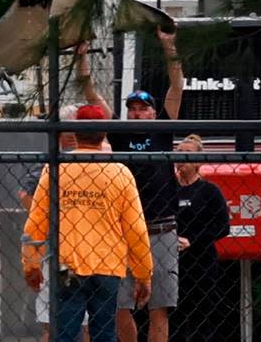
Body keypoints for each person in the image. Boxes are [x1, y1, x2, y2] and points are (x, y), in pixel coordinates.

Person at [79, 26, 184, 342]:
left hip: (161, 228)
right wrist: (82, 57)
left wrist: (169, 47)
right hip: (123, 231)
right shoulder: (120, 133)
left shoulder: (163, 131)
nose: (137, 113)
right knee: (119, 306)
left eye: (143, 108)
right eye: (133, 108)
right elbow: (91, 95)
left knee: (159, 307)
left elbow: (177, 85)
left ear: (153, 111)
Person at [22, 104, 153, 342]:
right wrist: (144, 274)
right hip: (107, 264)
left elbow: (37, 221)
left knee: (65, 332)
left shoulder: (56, 169)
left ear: (75, 133)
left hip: (67, 264)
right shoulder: (119, 173)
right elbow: (136, 229)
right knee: (104, 331)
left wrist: (31, 264)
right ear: (103, 134)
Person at [18, 105, 89, 342]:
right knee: (54, 323)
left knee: (81, 324)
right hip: (59, 250)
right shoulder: (50, 163)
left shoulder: (92, 160)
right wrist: (54, 219)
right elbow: (25, 196)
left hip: (85, 250)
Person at [173, 135, 230, 342]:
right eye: (178, 152)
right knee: (174, 317)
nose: (181, 157)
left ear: (198, 160)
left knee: (202, 317)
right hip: (172, 262)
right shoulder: (169, 190)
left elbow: (223, 227)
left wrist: (193, 240)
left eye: (187, 153)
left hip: (202, 263)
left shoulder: (209, 191)